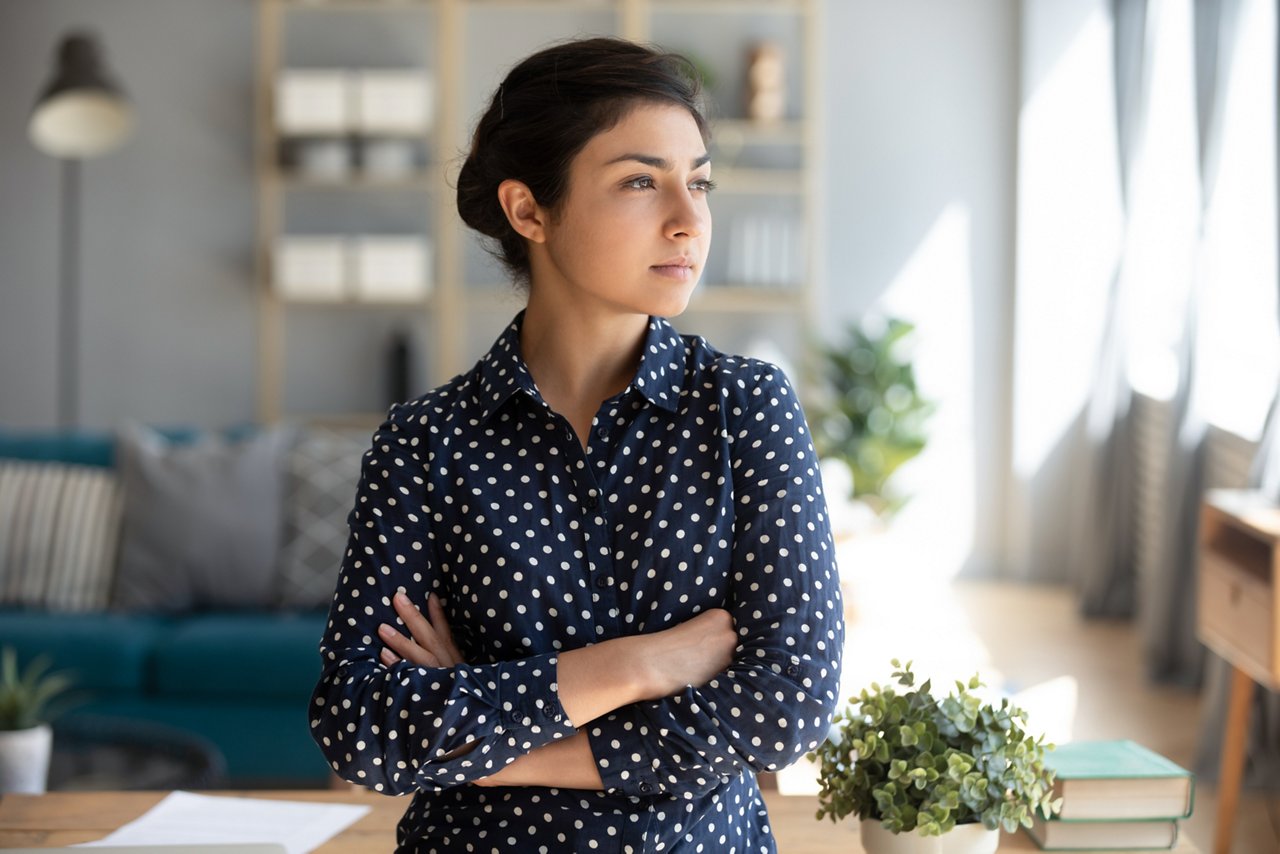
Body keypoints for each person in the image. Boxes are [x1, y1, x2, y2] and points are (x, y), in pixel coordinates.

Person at [309, 36, 844, 853]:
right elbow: (362, 726)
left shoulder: (746, 411)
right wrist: (642, 665)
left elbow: (786, 706)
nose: (688, 219)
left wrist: (482, 743)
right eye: (641, 181)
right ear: (530, 211)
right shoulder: (423, 444)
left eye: (698, 182)